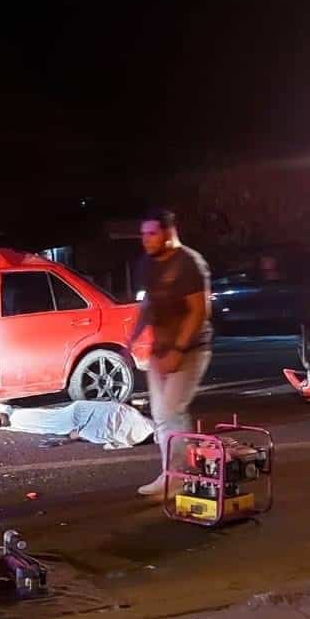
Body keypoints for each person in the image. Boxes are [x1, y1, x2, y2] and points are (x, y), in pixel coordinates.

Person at [126, 208, 212, 497]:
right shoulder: (147, 265)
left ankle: (178, 477)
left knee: (171, 412)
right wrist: (133, 336)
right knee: (162, 414)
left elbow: (199, 310)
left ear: (169, 233)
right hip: (160, 349)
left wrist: (178, 348)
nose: (146, 240)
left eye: (152, 233)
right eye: (143, 234)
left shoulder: (189, 263)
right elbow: (150, 302)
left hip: (190, 349)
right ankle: (176, 473)